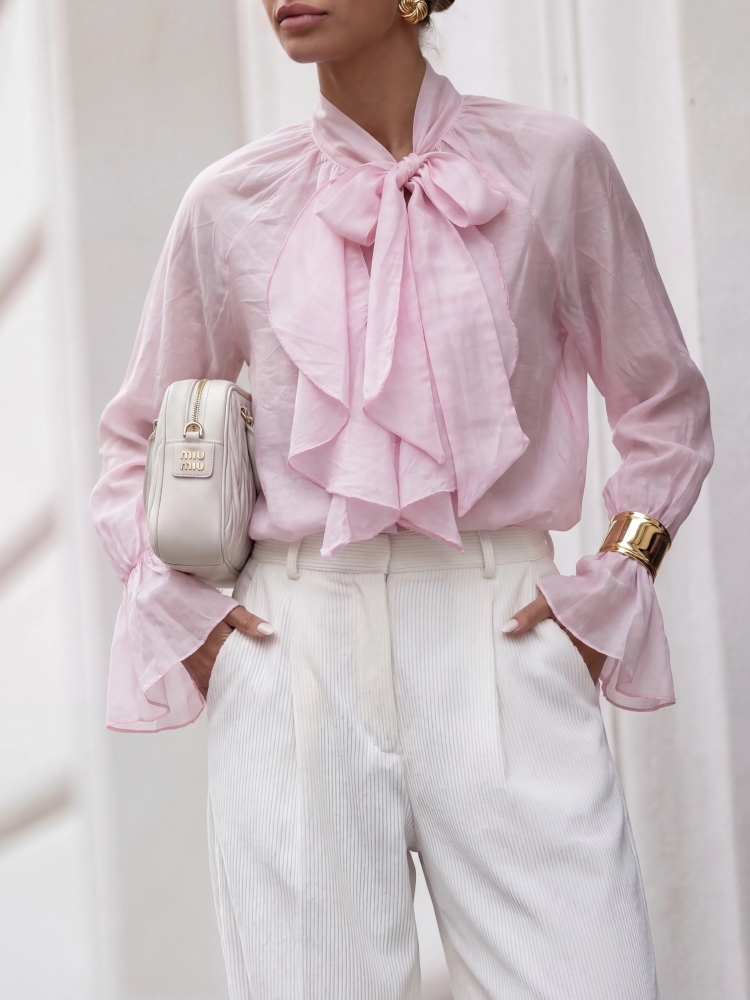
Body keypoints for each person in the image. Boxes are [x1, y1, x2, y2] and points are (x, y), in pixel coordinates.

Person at [90, 0, 713, 997]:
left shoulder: (554, 167)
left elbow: (663, 403)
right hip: (293, 647)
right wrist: (179, 611)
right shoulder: (231, 202)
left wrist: (619, 575)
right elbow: (129, 441)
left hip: (503, 628)